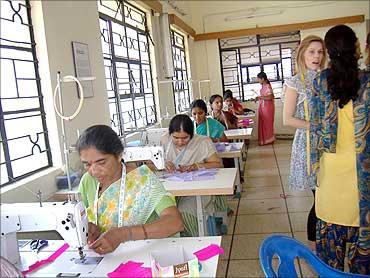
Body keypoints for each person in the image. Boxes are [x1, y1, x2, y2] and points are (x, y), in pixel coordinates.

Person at [309, 25, 369, 274]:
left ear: (329, 52)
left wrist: (313, 168)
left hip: (330, 176)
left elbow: (314, 131)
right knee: (361, 264)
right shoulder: (367, 81)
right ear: (356, 47)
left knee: (329, 264)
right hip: (362, 180)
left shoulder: (320, 82)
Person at [76, 125, 183, 255]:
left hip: (143, 255)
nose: (94, 170)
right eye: (87, 164)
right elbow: (85, 217)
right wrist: (89, 228)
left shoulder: (142, 180)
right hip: (106, 257)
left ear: (118, 155)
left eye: (101, 162)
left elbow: (175, 222)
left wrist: (124, 234)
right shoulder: (87, 181)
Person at [283, 35, 326, 250]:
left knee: (328, 198)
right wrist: (315, 126)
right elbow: (287, 119)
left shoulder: (327, 78)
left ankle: (325, 244)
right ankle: (314, 248)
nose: (316, 56)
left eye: (320, 52)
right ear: (302, 54)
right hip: (309, 145)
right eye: (312, 51)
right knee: (321, 200)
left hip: (329, 144)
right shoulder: (295, 82)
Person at [161, 114, 228, 236]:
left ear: (192, 134)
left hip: (197, 191)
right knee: (161, 214)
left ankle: (201, 247)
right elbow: (150, 164)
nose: (180, 142)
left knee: (184, 213)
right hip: (172, 189)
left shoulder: (203, 142)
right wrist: (163, 164)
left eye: (185, 138)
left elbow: (218, 164)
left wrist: (197, 166)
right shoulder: (164, 141)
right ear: (170, 134)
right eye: (175, 138)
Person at [256, 71, 275, 145]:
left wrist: (260, 97)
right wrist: (258, 98)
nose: (258, 81)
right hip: (263, 107)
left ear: (263, 79)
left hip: (268, 108)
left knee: (267, 124)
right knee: (263, 123)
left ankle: (269, 140)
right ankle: (264, 140)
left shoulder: (267, 86)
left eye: (259, 79)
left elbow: (270, 97)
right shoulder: (263, 86)